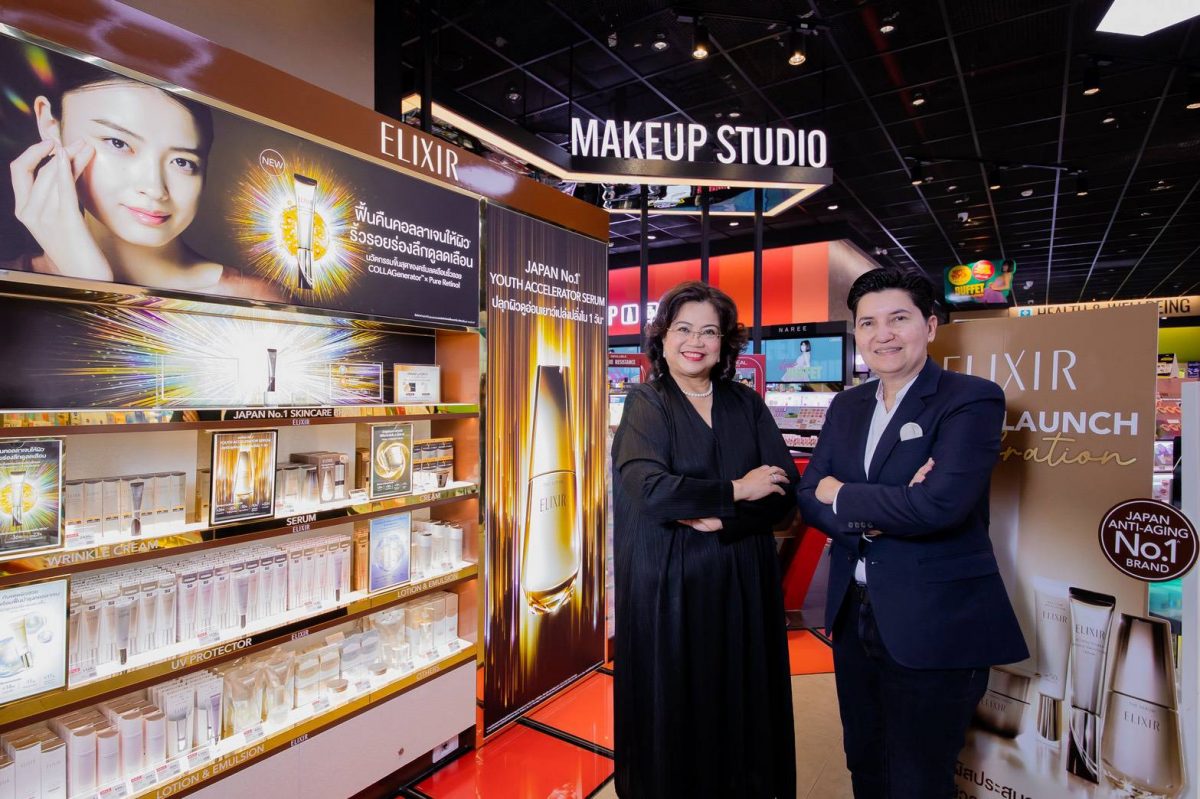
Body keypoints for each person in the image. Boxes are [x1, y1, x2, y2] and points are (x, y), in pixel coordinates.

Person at [796, 268, 1027, 799]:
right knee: (865, 760)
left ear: (930, 325)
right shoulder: (848, 405)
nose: (883, 335)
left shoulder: (971, 399)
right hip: (853, 612)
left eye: (898, 319)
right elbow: (808, 495)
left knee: (920, 776)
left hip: (934, 616)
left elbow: (939, 505)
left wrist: (842, 492)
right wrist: (893, 503)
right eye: (868, 323)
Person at [611, 281, 797, 799]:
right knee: (677, 703)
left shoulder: (745, 403)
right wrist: (737, 490)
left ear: (724, 343)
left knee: (743, 697)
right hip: (672, 586)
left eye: (710, 331)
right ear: (663, 338)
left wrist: (724, 518)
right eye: (684, 329)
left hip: (745, 581)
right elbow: (651, 490)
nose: (696, 341)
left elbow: (784, 491)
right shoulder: (647, 402)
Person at [6, 54, 278, 299]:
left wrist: (94, 288)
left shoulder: (254, 299)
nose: (155, 188)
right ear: (51, 125)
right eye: (118, 143)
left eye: (182, 162)